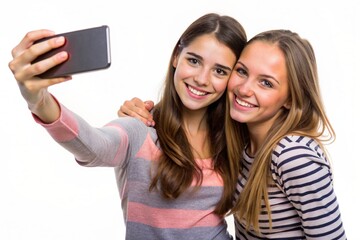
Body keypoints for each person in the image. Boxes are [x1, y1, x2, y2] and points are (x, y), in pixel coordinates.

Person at [8, 13, 247, 239]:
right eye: (194, 61)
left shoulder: (235, 136)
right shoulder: (140, 129)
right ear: (176, 56)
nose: (202, 79)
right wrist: (38, 101)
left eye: (219, 71)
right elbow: (92, 145)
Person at [118, 30, 347, 239]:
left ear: (290, 99)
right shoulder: (238, 141)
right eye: (242, 71)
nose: (244, 89)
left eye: (266, 83)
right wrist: (142, 113)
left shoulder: (292, 155)